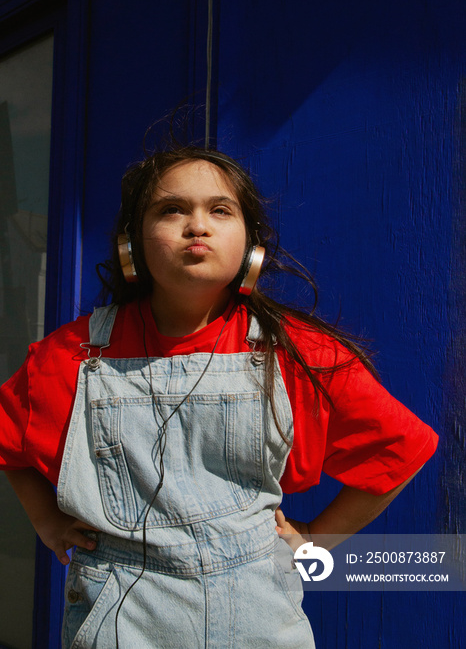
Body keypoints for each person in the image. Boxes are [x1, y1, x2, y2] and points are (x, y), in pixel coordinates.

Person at [0, 146, 438, 648]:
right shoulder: (73, 355)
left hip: (259, 620)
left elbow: (400, 449)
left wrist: (317, 538)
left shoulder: (294, 354)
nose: (197, 226)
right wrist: (46, 522)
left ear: (251, 244)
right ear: (131, 245)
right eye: (172, 209)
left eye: (220, 210)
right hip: (118, 620)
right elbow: (8, 440)